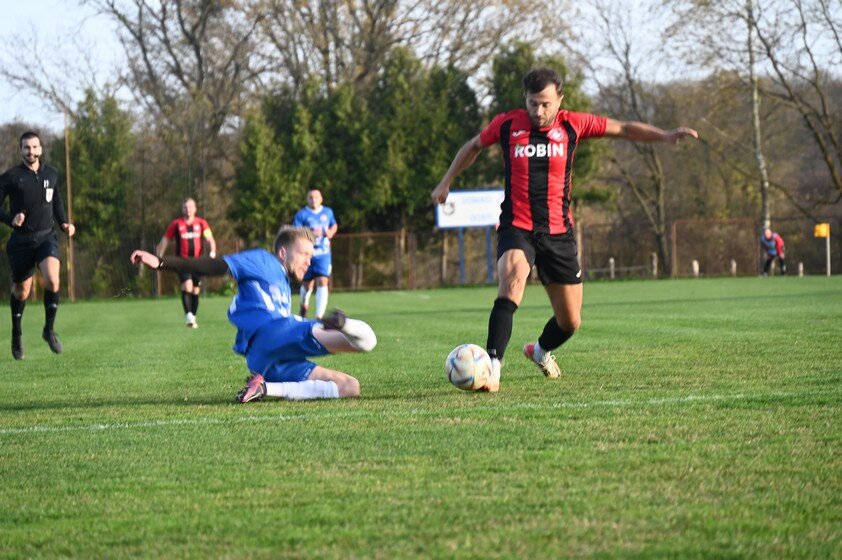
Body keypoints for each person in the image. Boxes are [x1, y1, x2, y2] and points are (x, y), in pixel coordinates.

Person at [431, 67, 698, 392]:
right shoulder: (508, 124)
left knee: (570, 321)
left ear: (560, 99)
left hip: (558, 233)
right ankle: (493, 366)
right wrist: (446, 181)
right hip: (517, 225)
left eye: (545, 104)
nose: (538, 111)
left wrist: (665, 135)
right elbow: (473, 146)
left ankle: (540, 350)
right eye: (532, 103)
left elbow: (624, 128)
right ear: (525, 100)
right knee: (513, 280)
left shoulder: (574, 123)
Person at [131, 226, 376, 402]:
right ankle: (343, 323)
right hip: (275, 334)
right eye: (304, 254)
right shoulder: (263, 261)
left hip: (266, 359)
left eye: (311, 256)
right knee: (366, 342)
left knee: (349, 387)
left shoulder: (280, 280)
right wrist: (162, 263)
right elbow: (217, 266)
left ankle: (266, 389)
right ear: (282, 252)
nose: (309, 261)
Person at [0, 131, 76, 360]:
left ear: (40, 149)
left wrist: (64, 222)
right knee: (22, 291)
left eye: (34, 147)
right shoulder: (11, 177)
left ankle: (49, 330)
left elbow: (57, 200)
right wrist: (10, 220)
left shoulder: (52, 174)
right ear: (21, 150)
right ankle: (16, 333)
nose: (31, 151)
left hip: (46, 237)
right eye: (26, 148)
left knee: (53, 279)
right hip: (21, 241)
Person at [157, 198, 217, 328]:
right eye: (185, 207)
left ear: (195, 209)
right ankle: (189, 316)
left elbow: (210, 239)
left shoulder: (202, 223)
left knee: (195, 290)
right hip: (182, 262)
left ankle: (192, 317)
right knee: (187, 286)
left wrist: (212, 253)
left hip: (198, 262)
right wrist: (159, 256)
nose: (187, 209)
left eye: (190, 207)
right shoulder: (176, 224)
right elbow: (165, 240)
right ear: (182, 209)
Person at [292, 189, 338, 320]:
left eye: (316, 197)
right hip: (307, 254)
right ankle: (303, 304)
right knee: (307, 284)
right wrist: (311, 233)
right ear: (307, 199)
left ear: (321, 198)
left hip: (323, 253)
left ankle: (319, 316)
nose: (314, 200)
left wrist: (330, 232)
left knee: (322, 281)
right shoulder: (301, 214)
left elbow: (334, 225)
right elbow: (296, 232)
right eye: (311, 197)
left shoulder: (327, 212)